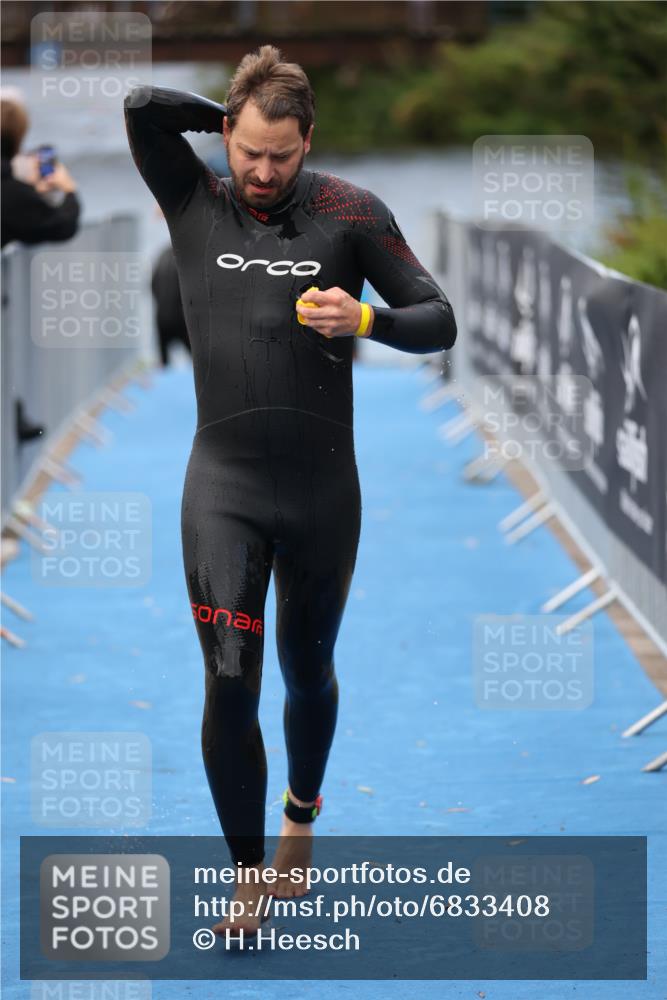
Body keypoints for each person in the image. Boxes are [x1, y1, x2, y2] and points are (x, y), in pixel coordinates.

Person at [124, 44, 456, 938]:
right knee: (230, 679)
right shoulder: (194, 195)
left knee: (306, 674)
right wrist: (221, 114)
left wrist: (368, 318)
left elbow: (439, 320)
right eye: (249, 150)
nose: (264, 173)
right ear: (227, 134)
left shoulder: (349, 213)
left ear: (310, 142)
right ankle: (242, 876)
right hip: (221, 488)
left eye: (283, 154)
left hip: (321, 493)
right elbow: (139, 102)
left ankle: (299, 816)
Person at [1, 89, 80, 248]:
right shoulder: (9, 192)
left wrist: (29, 190)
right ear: (18, 136)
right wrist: (69, 189)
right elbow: (61, 226)